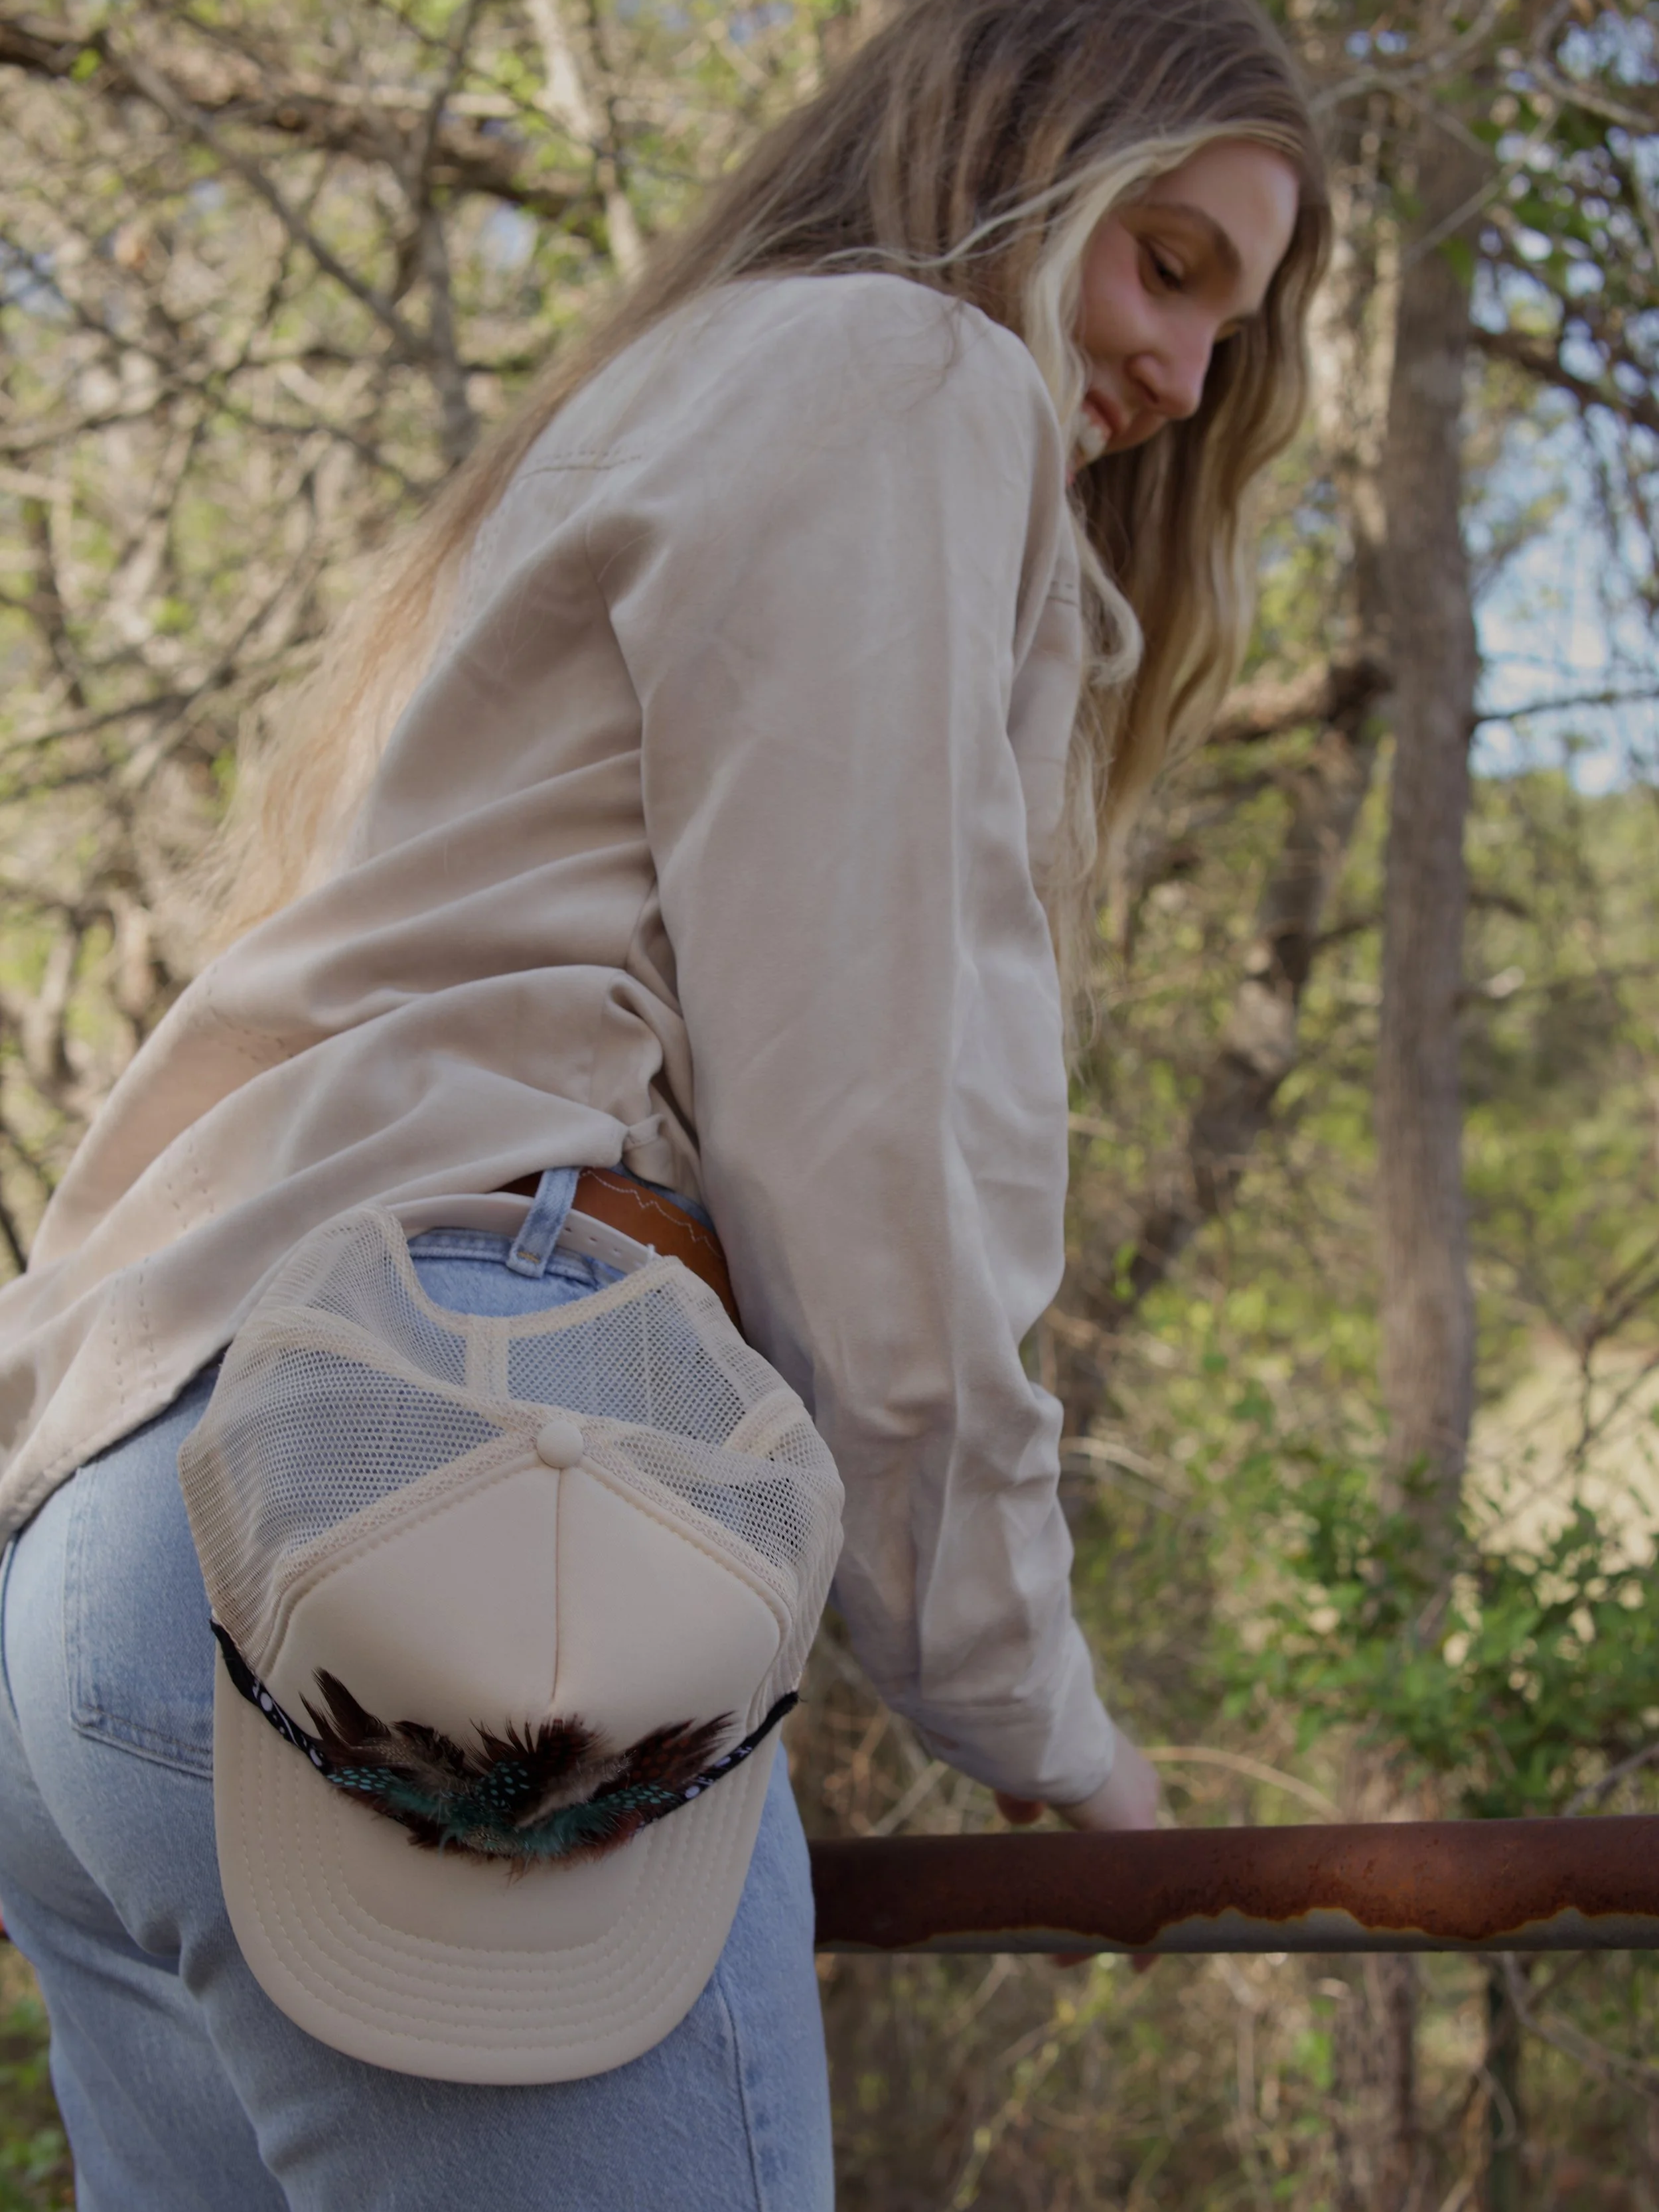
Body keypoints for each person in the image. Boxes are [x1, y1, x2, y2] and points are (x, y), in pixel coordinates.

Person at [0, 0, 1329, 2203]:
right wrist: (1028, 1701)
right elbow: (865, 1138)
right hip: (440, 1530)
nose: (1186, 375)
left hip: (110, 1560)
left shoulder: (650, 402)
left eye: (1233, 327)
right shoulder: (899, 380)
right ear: (1015, 159)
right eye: (1166, 262)